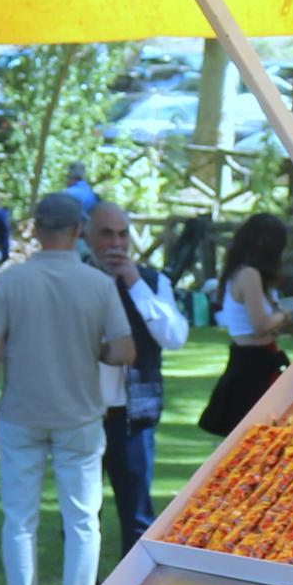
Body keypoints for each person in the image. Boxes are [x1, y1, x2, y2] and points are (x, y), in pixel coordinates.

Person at [0, 188, 137, 585]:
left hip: (22, 409)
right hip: (80, 414)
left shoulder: (10, 280)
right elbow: (124, 349)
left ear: (36, 227)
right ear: (79, 231)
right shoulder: (98, 284)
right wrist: (96, 349)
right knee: (83, 519)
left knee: (19, 517)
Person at [89, 198, 188, 544]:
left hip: (132, 415)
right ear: (86, 236)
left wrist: (133, 282)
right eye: (106, 235)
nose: (115, 244)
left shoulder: (150, 281)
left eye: (122, 235)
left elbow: (174, 337)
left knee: (137, 515)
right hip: (83, 413)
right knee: (83, 515)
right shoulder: (77, 279)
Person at [201, 212, 293, 436]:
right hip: (252, 365)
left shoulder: (245, 274)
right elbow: (260, 325)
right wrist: (288, 313)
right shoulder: (249, 274)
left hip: (259, 358)